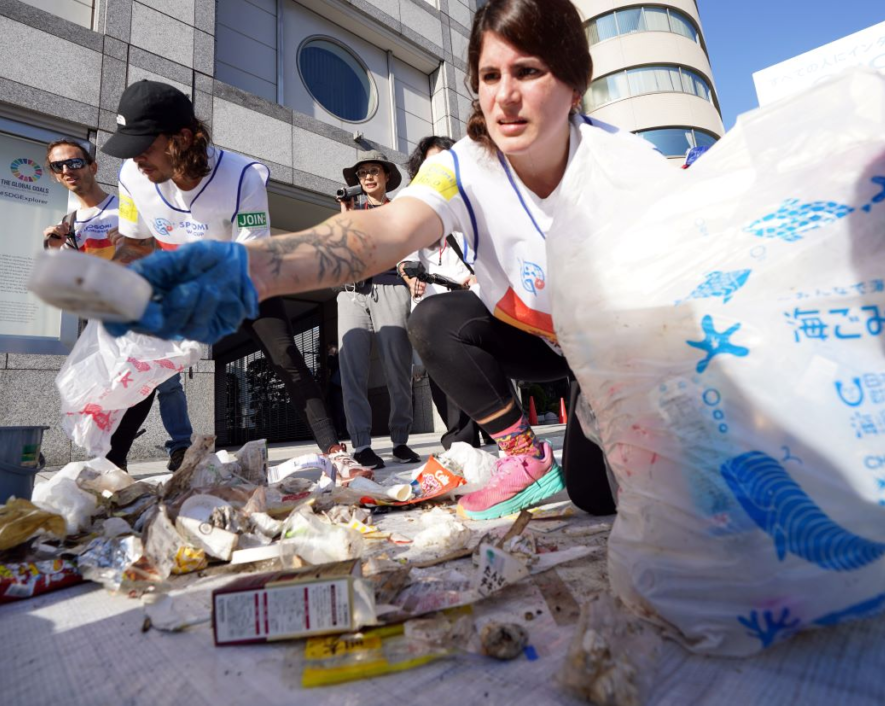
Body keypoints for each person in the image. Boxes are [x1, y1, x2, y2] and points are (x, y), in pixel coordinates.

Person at [104, 0, 662, 518]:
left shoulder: (632, 167)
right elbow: (384, 229)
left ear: (574, 82)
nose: (505, 96)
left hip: (617, 351)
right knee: (436, 320)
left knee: (618, 494)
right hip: (531, 337)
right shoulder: (462, 166)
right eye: (490, 76)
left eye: (528, 72)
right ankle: (524, 454)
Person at [99, 80, 370, 483]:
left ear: (182, 139)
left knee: (285, 356)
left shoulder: (242, 176)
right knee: (146, 364)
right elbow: (136, 244)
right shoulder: (131, 175)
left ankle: (336, 453)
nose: (136, 159)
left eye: (145, 146)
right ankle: (109, 467)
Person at [42, 139, 195, 472]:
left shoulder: (124, 206)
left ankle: (180, 447)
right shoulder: (70, 223)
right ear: (54, 175)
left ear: (93, 167)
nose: (67, 170)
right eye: (58, 166)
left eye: (75, 162)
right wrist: (54, 248)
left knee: (165, 379)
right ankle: (114, 453)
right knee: (115, 383)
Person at [397, 136, 490, 450]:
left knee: (483, 364)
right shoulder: (413, 205)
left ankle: (498, 427)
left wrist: (480, 275)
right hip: (434, 301)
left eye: (444, 159)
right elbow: (406, 255)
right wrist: (410, 277)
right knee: (444, 372)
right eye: (430, 162)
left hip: (474, 296)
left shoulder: (473, 199)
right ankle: (459, 439)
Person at [335, 150, 421, 469]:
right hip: (351, 293)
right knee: (352, 369)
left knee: (398, 367)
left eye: (374, 170)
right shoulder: (352, 212)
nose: (368, 177)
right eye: (362, 173)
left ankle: (400, 440)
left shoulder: (398, 210)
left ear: (386, 176)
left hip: (391, 287)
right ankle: (361, 444)